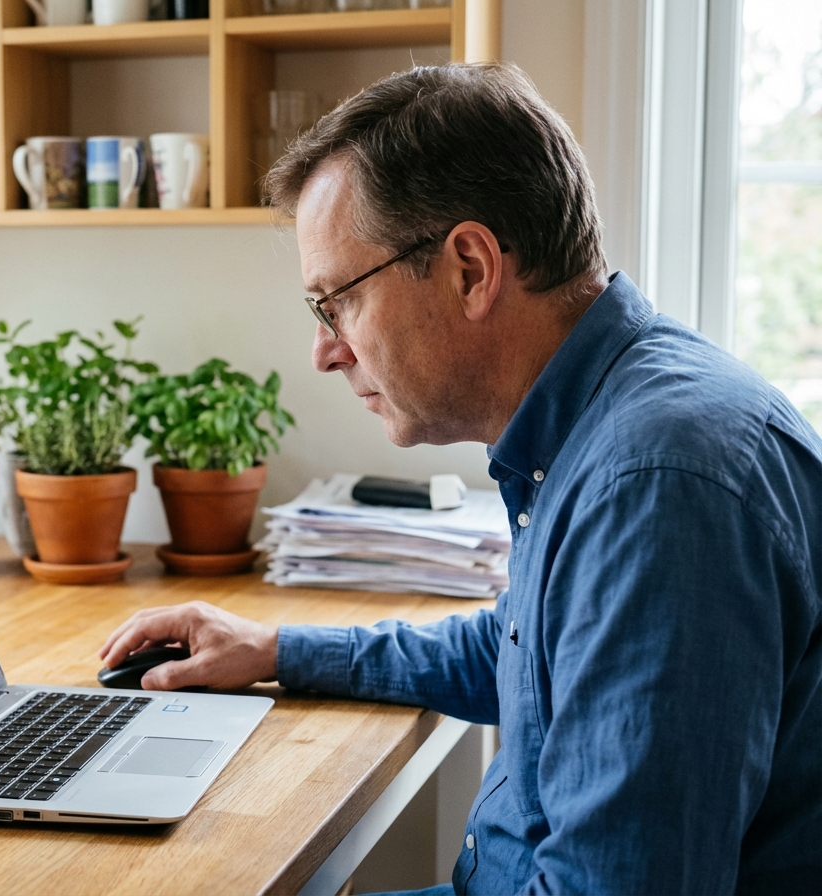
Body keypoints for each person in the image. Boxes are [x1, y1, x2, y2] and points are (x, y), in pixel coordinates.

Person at [99, 64, 822, 894]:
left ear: (471, 268)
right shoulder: (613, 420)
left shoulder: (655, 485)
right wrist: (275, 650)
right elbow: (523, 653)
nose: (326, 349)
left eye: (336, 302)